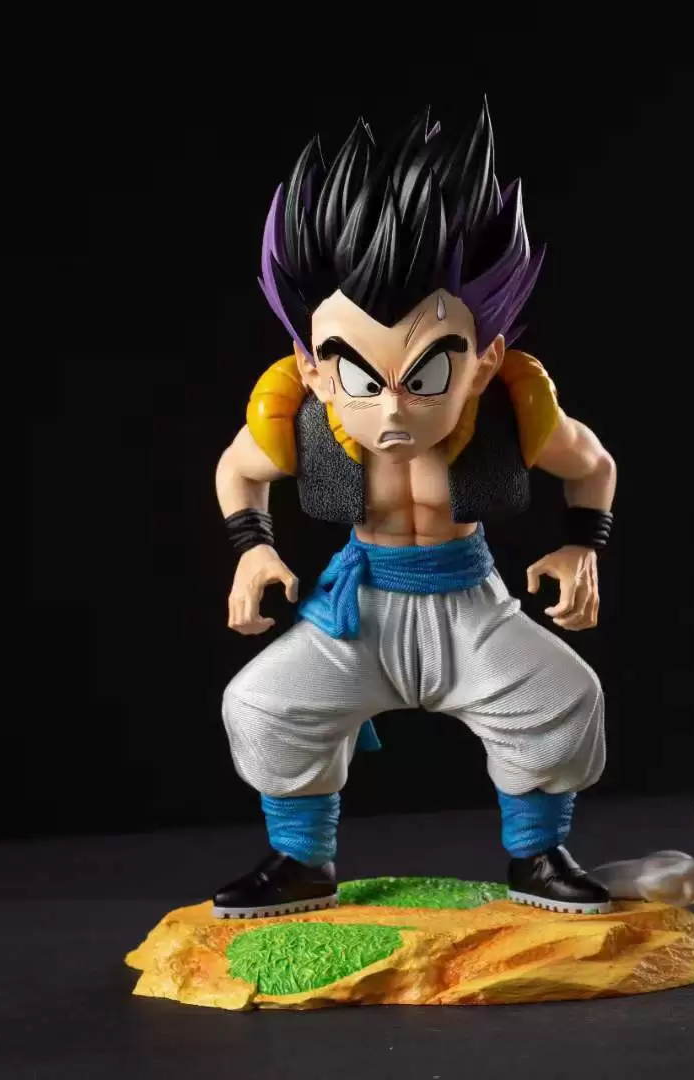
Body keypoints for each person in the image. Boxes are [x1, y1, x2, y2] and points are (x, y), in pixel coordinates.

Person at [212, 103, 616, 919]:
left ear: (484, 360)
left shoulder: (514, 414)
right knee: (262, 704)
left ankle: (538, 855)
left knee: (563, 697)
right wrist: (252, 547)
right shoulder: (298, 419)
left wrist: (582, 546)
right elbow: (237, 470)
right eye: (362, 377)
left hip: (471, 602)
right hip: (357, 607)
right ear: (313, 367)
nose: (393, 407)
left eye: (426, 374)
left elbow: (593, 466)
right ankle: (300, 860)